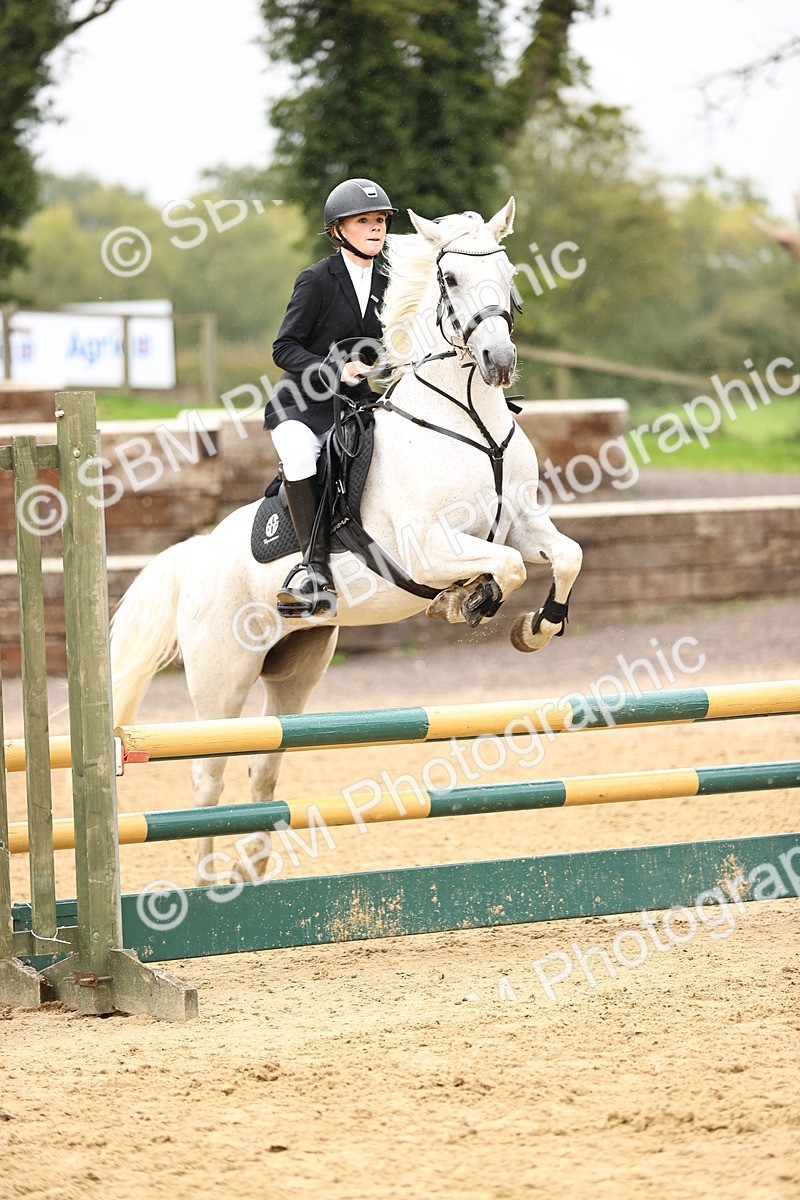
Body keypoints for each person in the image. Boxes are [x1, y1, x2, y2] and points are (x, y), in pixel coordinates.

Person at [264, 177, 397, 618]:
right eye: (364, 221)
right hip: (303, 405)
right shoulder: (317, 279)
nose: (376, 228)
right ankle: (314, 570)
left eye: (380, 220)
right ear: (339, 230)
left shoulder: (392, 279)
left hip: (357, 405)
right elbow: (284, 347)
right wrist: (335, 369)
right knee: (301, 455)